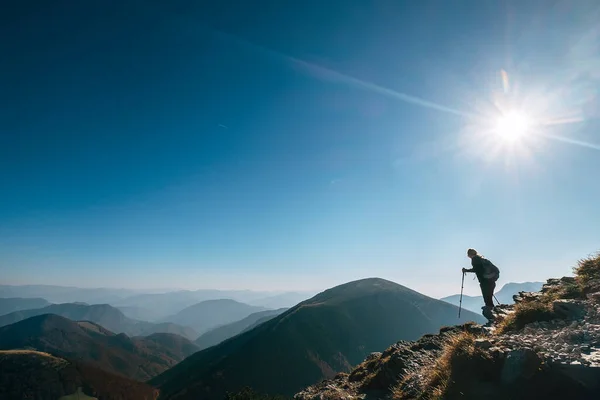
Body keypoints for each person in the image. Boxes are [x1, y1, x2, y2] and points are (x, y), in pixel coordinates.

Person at [462, 248, 499, 320]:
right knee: (489, 298)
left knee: (487, 299)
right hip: (491, 280)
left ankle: (492, 317)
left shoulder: (475, 259)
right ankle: (495, 316)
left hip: (485, 281)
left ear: (469, 255)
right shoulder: (482, 259)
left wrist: (466, 270)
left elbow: (477, 269)